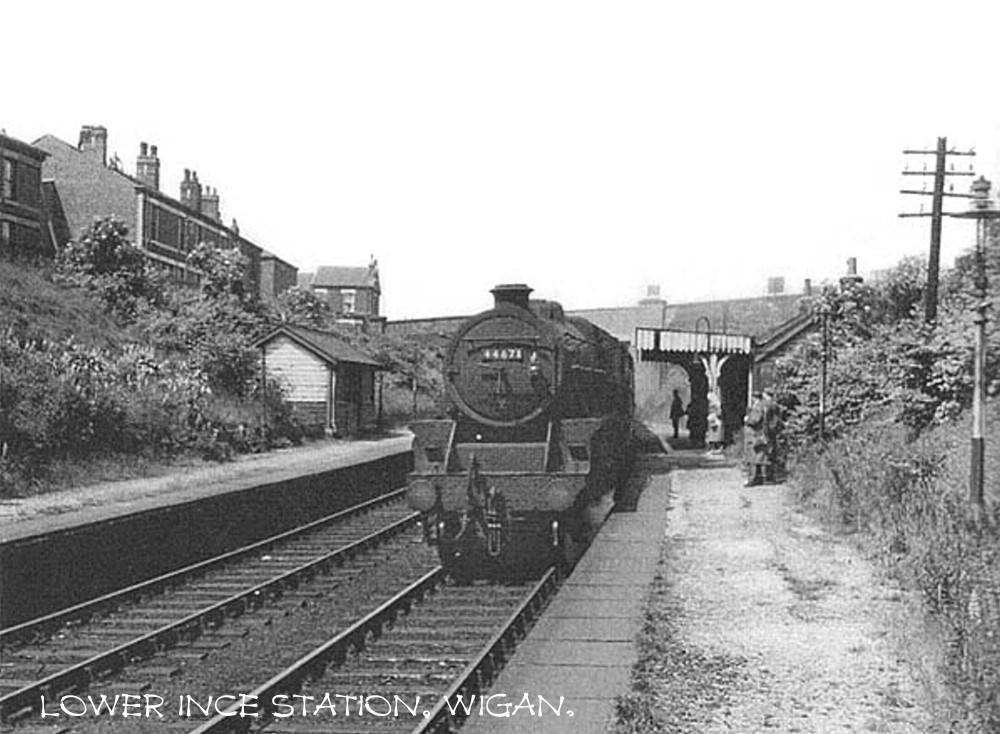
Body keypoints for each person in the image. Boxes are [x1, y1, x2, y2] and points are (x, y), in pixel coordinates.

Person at [744, 389, 782, 486]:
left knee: (755, 456)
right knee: (765, 455)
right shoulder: (774, 405)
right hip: (768, 433)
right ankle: (766, 477)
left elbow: (755, 420)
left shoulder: (761, 406)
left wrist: (747, 420)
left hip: (758, 434)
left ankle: (755, 478)